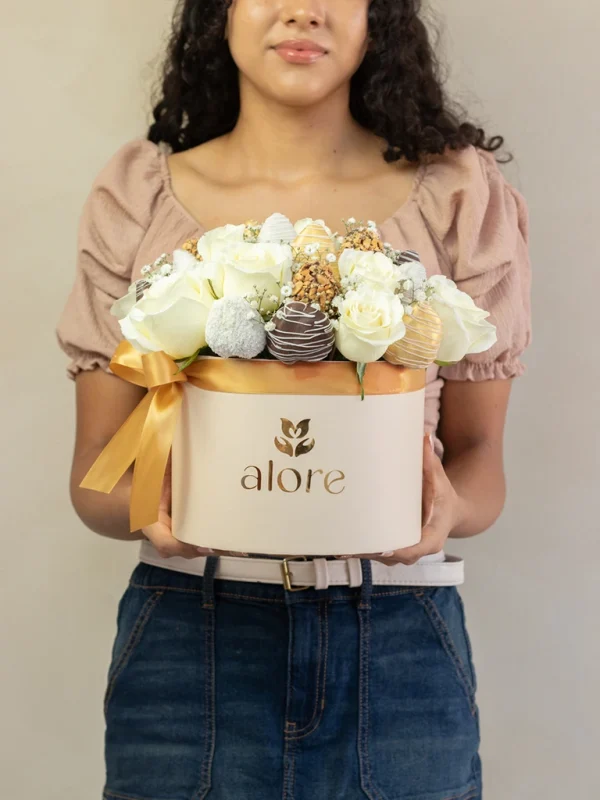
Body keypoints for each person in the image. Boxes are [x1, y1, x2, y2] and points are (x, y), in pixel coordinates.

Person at [56, 1, 532, 798]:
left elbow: (480, 463)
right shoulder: (138, 192)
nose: (301, 9)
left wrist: (445, 509)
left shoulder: (457, 193)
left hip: (400, 644)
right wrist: (147, 503)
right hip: (189, 639)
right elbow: (95, 479)